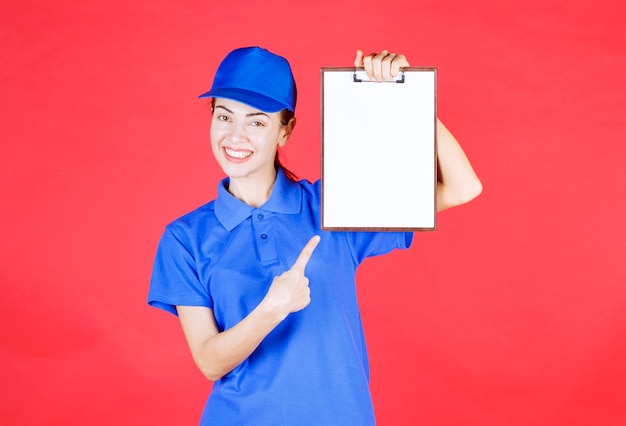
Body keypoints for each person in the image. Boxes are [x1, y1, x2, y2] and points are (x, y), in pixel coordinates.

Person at [148, 46, 482, 425]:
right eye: (224, 116)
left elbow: (461, 187)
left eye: (257, 122)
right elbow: (209, 361)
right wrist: (271, 309)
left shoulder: (332, 206)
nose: (235, 136)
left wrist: (407, 95)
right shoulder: (184, 238)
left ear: (285, 131)